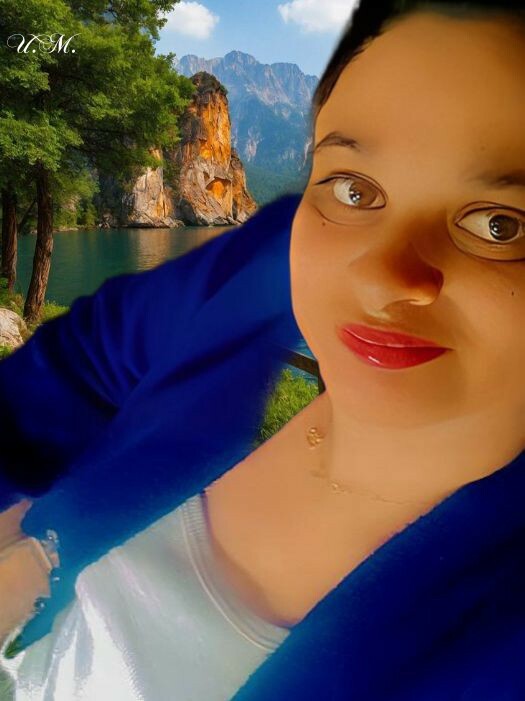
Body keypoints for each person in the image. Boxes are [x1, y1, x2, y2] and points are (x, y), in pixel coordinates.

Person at [2, 0, 525, 698]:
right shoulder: (255, 269)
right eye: (353, 188)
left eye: (500, 226)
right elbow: (74, 368)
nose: (380, 277)